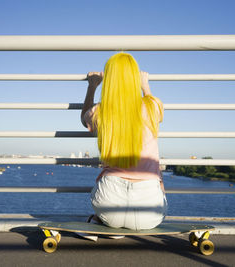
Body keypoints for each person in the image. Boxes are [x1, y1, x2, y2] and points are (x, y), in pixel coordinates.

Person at [80, 52, 167, 240]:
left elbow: (83, 117)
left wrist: (92, 86)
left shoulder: (101, 111)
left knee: (103, 195)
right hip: (150, 214)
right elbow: (156, 113)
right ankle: (117, 225)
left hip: (109, 207)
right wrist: (146, 87)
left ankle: (102, 223)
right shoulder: (152, 107)